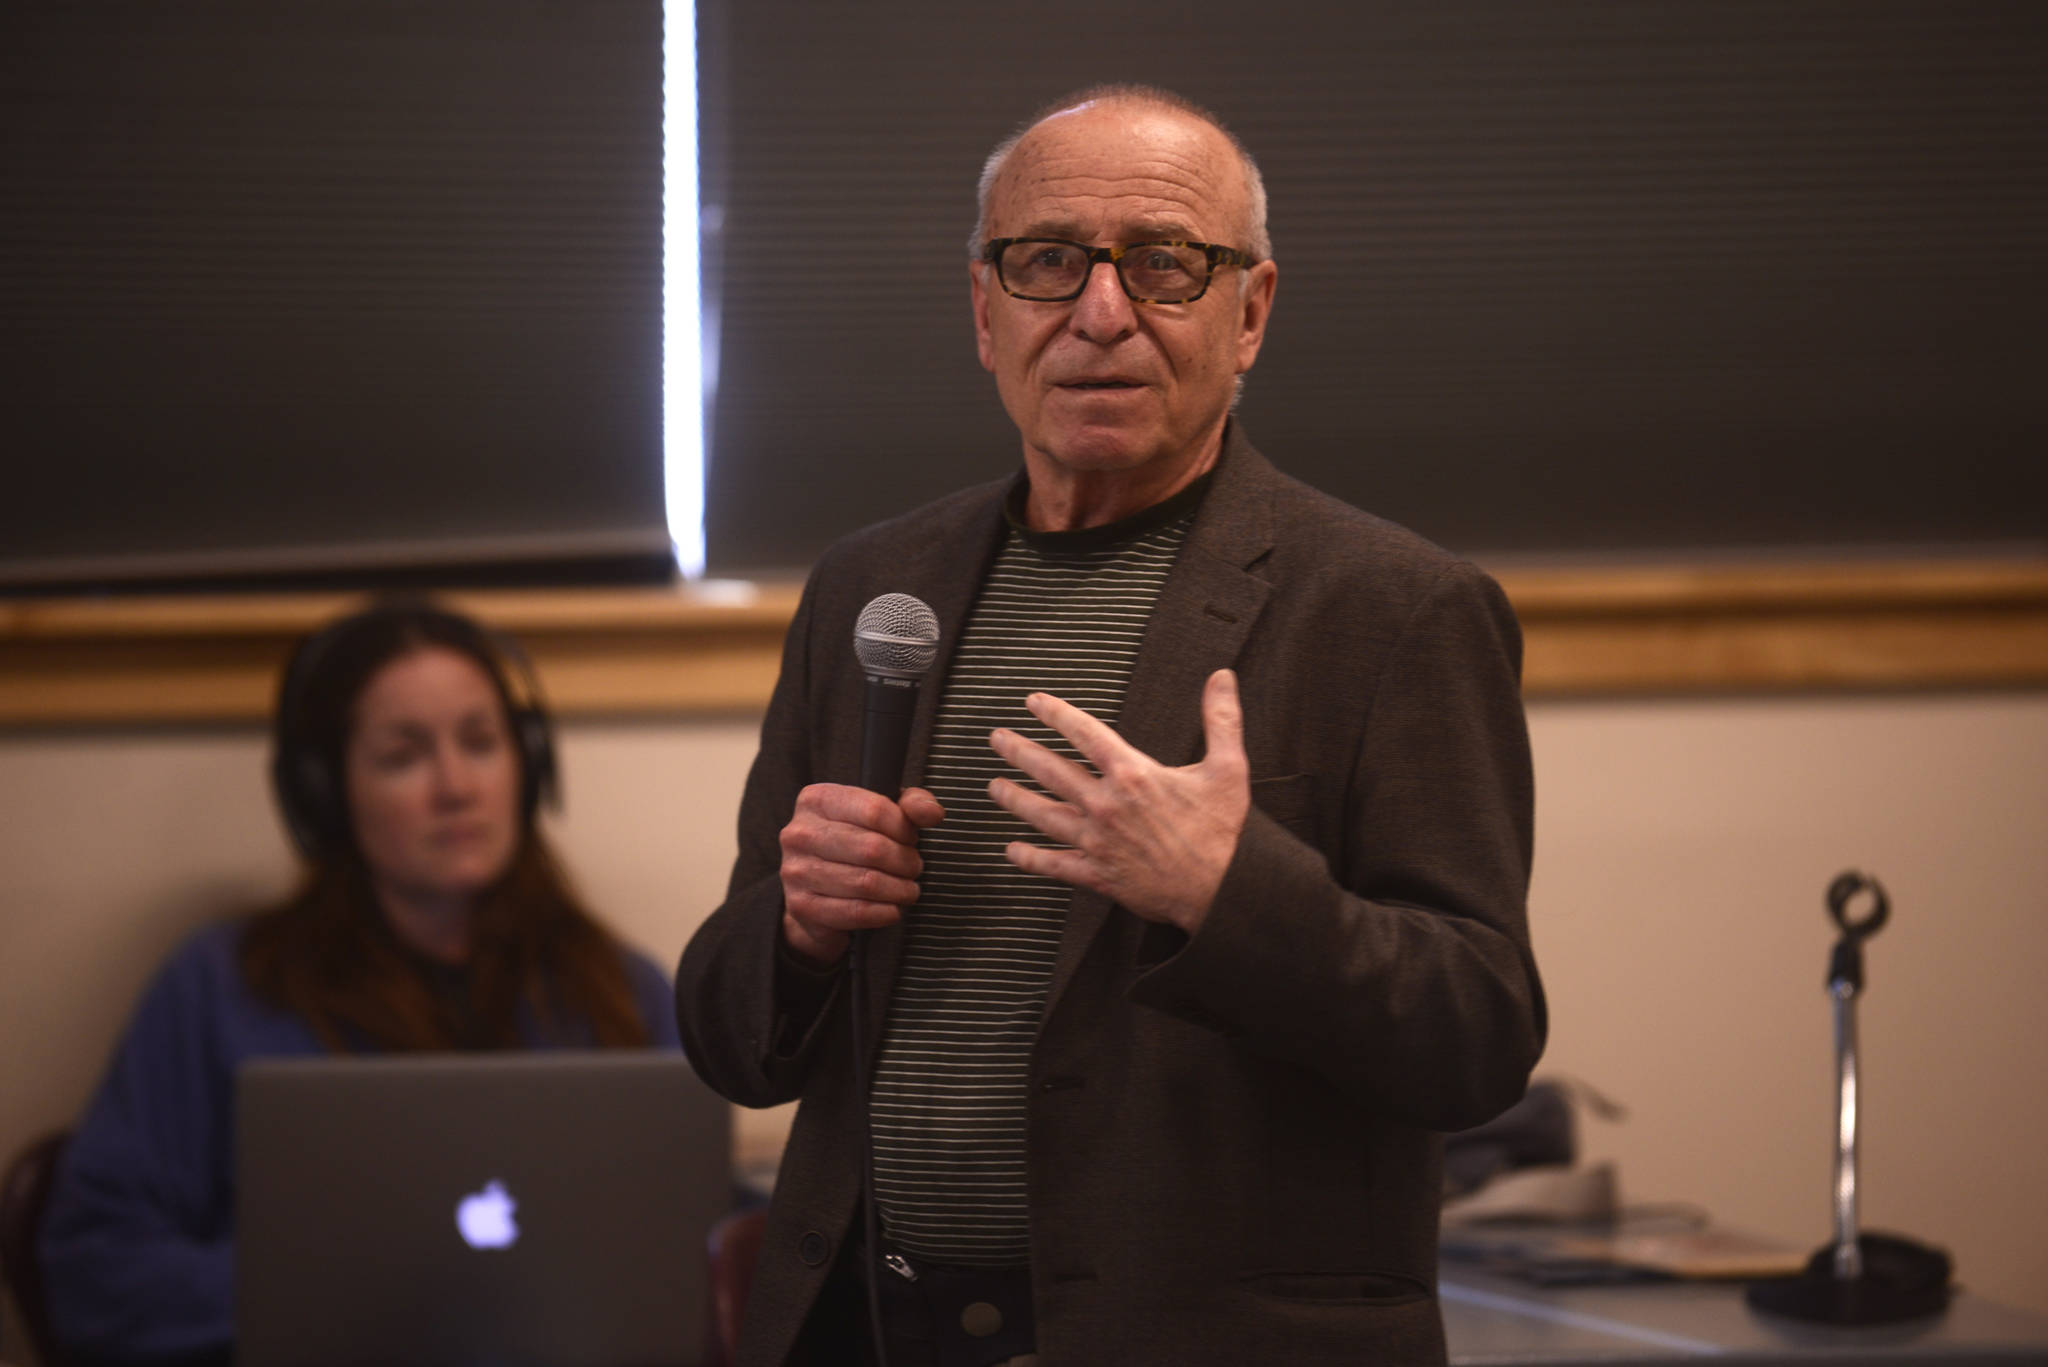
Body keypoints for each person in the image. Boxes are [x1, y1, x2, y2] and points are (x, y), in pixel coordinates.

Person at [676, 84, 1544, 1367]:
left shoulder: (1393, 609)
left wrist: (1226, 888)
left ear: (1248, 313)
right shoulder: (874, 590)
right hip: (868, 1321)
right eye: (1046, 262)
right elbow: (729, 1034)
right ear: (984, 310)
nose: (1099, 313)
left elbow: (1476, 1034)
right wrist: (796, 930)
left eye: (1163, 265)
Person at [38, 599, 681, 1366]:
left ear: (530, 761)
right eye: (403, 755)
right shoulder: (218, 988)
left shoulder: (618, 989)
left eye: (481, 742)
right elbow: (93, 1265)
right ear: (324, 793)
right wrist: (334, 1301)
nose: (455, 786)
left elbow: (701, 1231)